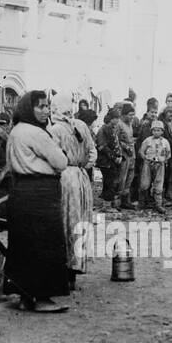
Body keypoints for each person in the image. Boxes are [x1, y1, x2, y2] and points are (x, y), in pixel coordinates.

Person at [4, 91, 71, 312]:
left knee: (24, 244)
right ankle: (42, 298)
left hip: (21, 191)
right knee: (45, 244)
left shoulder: (15, 131)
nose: (45, 111)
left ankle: (25, 297)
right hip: (41, 192)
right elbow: (60, 162)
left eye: (47, 107)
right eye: (40, 107)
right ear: (28, 109)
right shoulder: (37, 133)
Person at [48, 101, 98, 289]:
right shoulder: (81, 126)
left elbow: (52, 156)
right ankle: (75, 269)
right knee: (80, 221)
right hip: (80, 176)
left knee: (66, 221)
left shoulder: (55, 130)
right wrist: (84, 167)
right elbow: (93, 152)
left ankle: (64, 270)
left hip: (64, 177)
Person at [138, 121, 171, 213]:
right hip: (148, 164)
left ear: (162, 131)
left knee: (159, 185)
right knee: (144, 184)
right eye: (154, 130)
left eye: (159, 130)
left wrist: (164, 160)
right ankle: (142, 203)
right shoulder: (147, 140)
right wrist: (146, 159)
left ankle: (158, 205)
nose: (156, 132)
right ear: (152, 131)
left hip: (160, 165)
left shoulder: (165, 142)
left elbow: (169, 153)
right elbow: (141, 151)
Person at [96, 105, 126, 204]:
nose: (117, 120)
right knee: (110, 183)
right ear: (110, 118)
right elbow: (102, 146)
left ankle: (108, 203)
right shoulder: (104, 129)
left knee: (110, 181)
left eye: (118, 118)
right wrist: (114, 157)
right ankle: (107, 205)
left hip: (111, 160)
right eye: (115, 118)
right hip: (107, 161)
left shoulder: (112, 128)